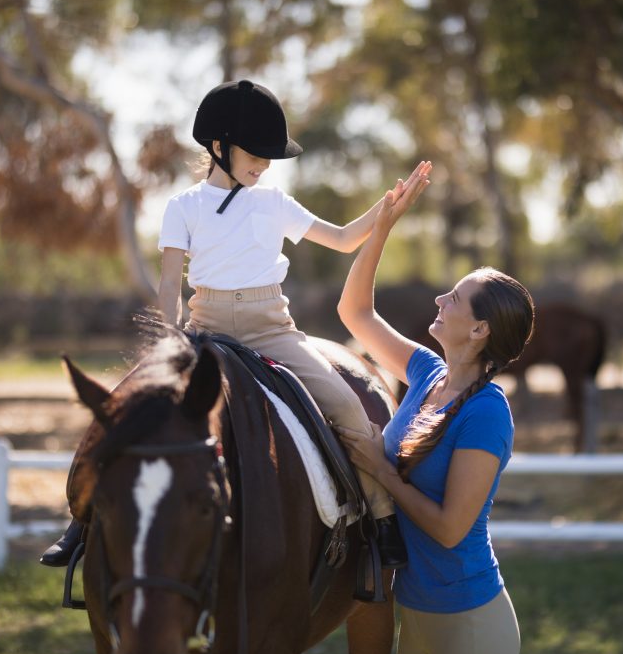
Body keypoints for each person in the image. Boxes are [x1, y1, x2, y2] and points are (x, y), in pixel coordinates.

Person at [41, 79, 421, 570]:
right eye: (256, 154)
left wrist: (385, 208)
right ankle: (82, 522)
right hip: (205, 331)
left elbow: (346, 239)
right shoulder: (183, 207)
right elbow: (167, 283)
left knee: (348, 408)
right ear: (218, 147)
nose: (264, 165)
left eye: (269, 157)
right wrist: (172, 336)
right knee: (120, 408)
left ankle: (381, 519)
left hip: (273, 332)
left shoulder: (273, 202)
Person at [335, 177, 534, 654]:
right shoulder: (426, 372)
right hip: (416, 615)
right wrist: (381, 226)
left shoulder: (486, 412)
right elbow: (354, 312)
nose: (441, 299)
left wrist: (383, 473)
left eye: (456, 298)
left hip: (470, 621)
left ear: (480, 329)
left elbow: (449, 530)